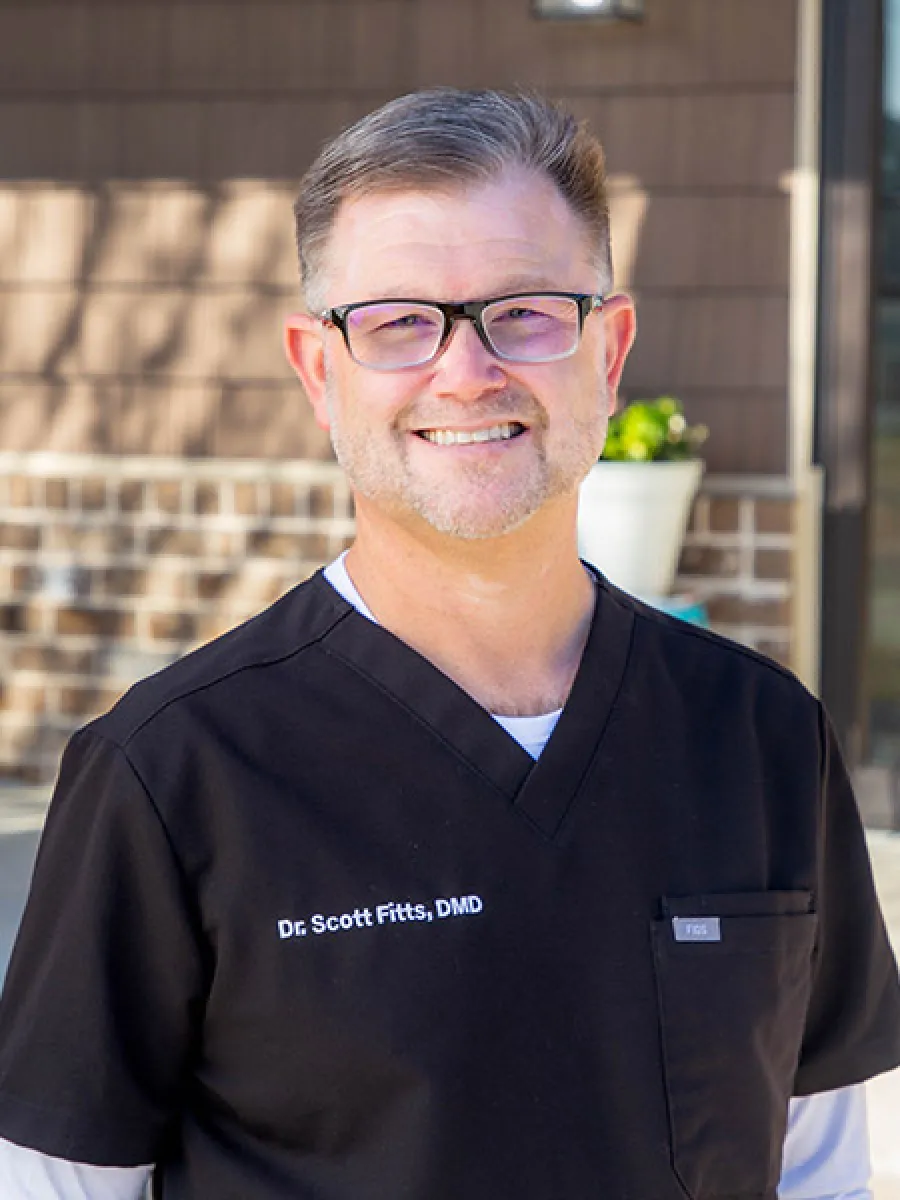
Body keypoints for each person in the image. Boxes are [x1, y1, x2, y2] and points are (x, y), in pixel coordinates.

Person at [0, 88, 898, 1200]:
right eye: (397, 323)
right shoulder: (171, 773)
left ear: (609, 351)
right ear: (318, 372)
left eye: (525, 311)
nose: (466, 373)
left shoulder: (763, 742)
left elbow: (818, 1169)